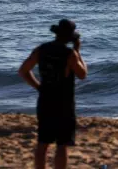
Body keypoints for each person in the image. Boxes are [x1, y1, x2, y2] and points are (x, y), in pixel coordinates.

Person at [18, 19, 88, 169]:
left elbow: (23, 70)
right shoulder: (70, 54)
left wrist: (38, 86)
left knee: (43, 143)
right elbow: (82, 74)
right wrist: (78, 51)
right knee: (62, 145)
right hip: (64, 102)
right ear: (70, 38)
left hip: (45, 99)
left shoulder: (41, 49)